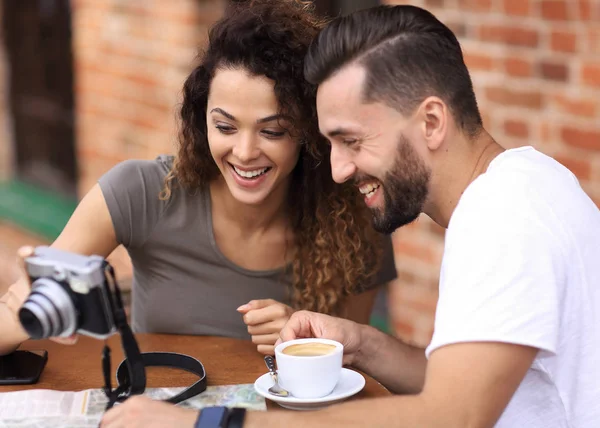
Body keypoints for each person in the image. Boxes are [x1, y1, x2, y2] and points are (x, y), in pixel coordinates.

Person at [100, 4, 600, 427]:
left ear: (430, 122)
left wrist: (210, 421)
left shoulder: (502, 224)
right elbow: (467, 384)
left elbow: (450, 415)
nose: (337, 169)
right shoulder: (530, 179)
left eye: (352, 140)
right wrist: (361, 344)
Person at [0, 0, 397, 357]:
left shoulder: (356, 218)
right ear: (200, 119)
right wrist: (24, 315)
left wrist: (307, 343)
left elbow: (356, 369)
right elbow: (24, 306)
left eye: (272, 131)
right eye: (225, 127)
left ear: (310, 131)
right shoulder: (140, 190)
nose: (244, 153)